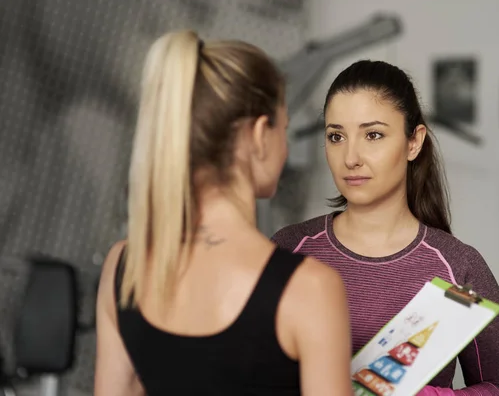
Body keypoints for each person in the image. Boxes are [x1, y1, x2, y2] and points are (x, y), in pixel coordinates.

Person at [94, 30, 352, 396]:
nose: (285, 146)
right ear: (261, 135)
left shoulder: (123, 268)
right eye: (285, 129)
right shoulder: (309, 289)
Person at [272, 60, 499, 395]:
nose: (351, 157)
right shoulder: (289, 250)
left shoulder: (457, 266)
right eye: (336, 136)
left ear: (413, 142)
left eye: (373, 135)